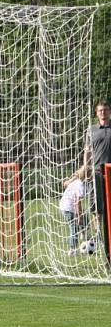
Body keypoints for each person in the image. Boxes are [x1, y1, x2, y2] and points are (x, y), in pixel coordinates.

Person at [66, 101, 111, 261]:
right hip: (96, 174)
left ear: (109, 111)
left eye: (105, 110)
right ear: (96, 113)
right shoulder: (91, 130)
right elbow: (87, 151)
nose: (103, 113)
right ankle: (99, 235)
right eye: (100, 110)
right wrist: (85, 167)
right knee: (95, 208)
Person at [59, 174, 86, 256]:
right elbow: (78, 203)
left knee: (84, 215)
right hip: (68, 208)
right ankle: (72, 249)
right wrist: (80, 217)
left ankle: (84, 234)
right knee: (74, 228)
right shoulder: (81, 186)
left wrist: (72, 179)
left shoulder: (76, 181)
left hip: (64, 206)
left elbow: (64, 184)